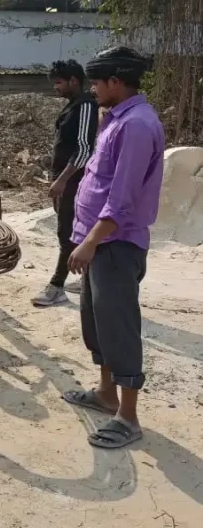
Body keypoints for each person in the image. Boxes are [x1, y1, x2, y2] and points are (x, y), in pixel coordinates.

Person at [63, 46, 164, 449]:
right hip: (100, 243)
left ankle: (129, 416)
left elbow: (121, 198)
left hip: (115, 244)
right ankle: (106, 393)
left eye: (96, 82)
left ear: (116, 82)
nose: (92, 89)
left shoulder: (137, 125)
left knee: (119, 325)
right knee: (96, 320)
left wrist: (90, 241)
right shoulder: (116, 118)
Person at [32, 60, 98, 307]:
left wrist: (62, 180)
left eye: (59, 82)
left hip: (74, 180)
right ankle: (87, 279)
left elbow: (84, 150)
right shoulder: (73, 106)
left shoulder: (85, 107)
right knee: (71, 231)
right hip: (64, 179)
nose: (56, 87)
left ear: (73, 81)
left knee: (66, 234)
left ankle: (57, 286)